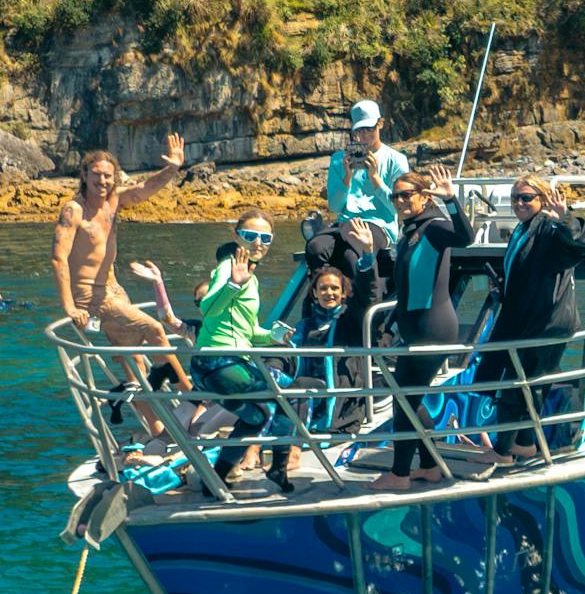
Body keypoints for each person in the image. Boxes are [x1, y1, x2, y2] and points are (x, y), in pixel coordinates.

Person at [51, 134, 189, 449]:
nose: (102, 181)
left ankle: (158, 431)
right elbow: (59, 259)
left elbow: (144, 191)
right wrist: (70, 307)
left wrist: (173, 169)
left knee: (135, 365)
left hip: (115, 291)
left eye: (108, 175)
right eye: (96, 174)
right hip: (91, 298)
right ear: (84, 175)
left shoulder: (114, 201)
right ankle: (190, 391)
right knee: (153, 327)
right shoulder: (74, 210)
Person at [472, 176, 585, 467]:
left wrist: (566, 220)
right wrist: (503, 286)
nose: (519, 203)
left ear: (542, 198)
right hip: (525, 318)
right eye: (515, 198)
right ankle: (525, 444)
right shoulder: (524, 228)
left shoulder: (550, 227)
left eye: (527, 198)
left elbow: (579, 248)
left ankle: (502, 452)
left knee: (518, 385)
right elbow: (527, 271)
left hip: (545, 323)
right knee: (526, 383)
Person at [369, 163, 474, 492]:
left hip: (433, 328)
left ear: (424, 197)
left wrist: (451, 200)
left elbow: (466, 238)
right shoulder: (409, 230)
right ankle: (428, 465)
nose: (400, 200)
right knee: (407, 398)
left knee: (404, 397)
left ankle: (400, 474)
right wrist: (389, 327)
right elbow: (404, 286)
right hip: (413, 328)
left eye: (406, 195)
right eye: (395, 195)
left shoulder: (434, 226)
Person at [191, 212, 301, 492]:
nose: (258, 243)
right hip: (221, 363)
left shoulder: (248, 274)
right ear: (236, 236)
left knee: (257, 416)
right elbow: (208, 308)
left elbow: (248, 331)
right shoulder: (230, 266)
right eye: (250, 236)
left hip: (218, 366)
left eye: (266, 238)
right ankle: (278, 467)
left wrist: (275, 336)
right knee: (293, 393)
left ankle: (216, 478)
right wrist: (232, 284)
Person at [288, 220, 386, 432]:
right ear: (314, 293)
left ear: (343, 293)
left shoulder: (349, 320)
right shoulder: (305, 326)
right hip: (307, 397)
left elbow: (370, 296)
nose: (328, 293)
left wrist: (368, 253)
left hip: (340, 402)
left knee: (298, 387)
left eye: (334, 288)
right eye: (322, 288)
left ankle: (292, 448)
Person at [305, 99, 411, 295]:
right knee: (315, 247)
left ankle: (365, 304)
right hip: (345, 223)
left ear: (380, 124)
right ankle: (319, 305)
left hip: (379, 225)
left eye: (368, 129)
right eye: (358, 131)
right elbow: (336, 207)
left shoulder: (396, 160)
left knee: (350, 254)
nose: (363, 136)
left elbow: (400, 208)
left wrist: (376, 179)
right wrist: (347, 178)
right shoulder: (339, 159)